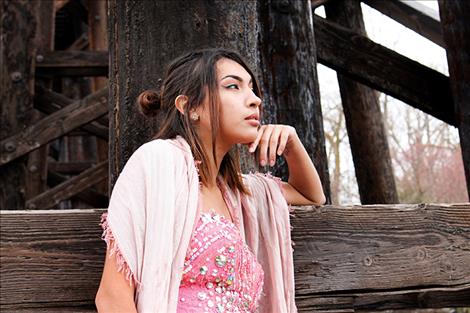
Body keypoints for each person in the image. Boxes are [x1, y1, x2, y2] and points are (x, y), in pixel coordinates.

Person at [95, 48, 326, 313]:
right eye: (233, 86)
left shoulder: (240, 193)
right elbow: (112, 297)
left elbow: (310, 195)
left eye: (252, 89)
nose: (254, 101)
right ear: (190, 106)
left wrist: (292, 143)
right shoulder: (157, 161)